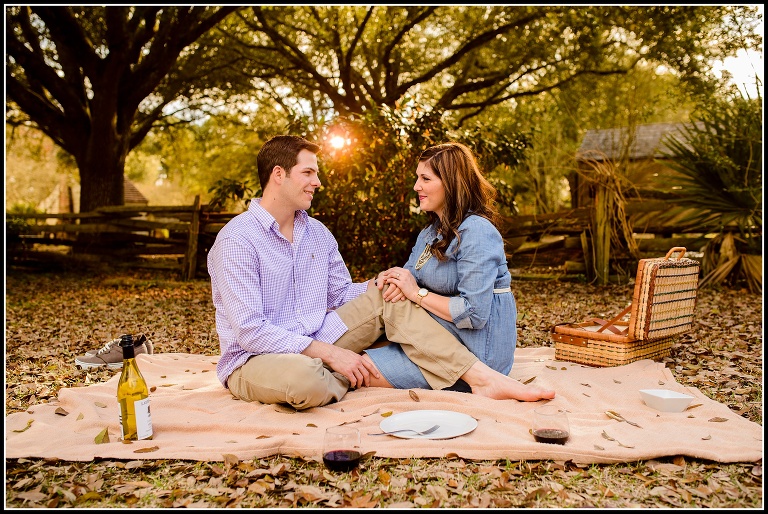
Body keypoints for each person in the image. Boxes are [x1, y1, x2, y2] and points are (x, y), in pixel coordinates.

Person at [207, 135, 554, 410]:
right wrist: (331, 355)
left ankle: (479, 377)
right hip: (256, 357)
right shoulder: (238, 241)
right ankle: (341, 372)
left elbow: (340, 294)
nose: (319, 182)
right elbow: (250, 331)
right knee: (307, 381)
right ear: (278, 175)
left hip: (320, 338)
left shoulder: (317, 233)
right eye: (309, 172)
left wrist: (381, 284)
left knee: (389, 294)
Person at [362, 142, 537, 394]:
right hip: (432, 336)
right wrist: (393, 278)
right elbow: (409, 273)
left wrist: (416, 294)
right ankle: (314, 349)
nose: (416, 186)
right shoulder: (429, 234)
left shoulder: (477, 231)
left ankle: (484, 382)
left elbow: (473, 314)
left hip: (475, 352)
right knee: (358, 356)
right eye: (417, 178)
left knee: (364, 369)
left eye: (425, 178)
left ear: (451, 183)